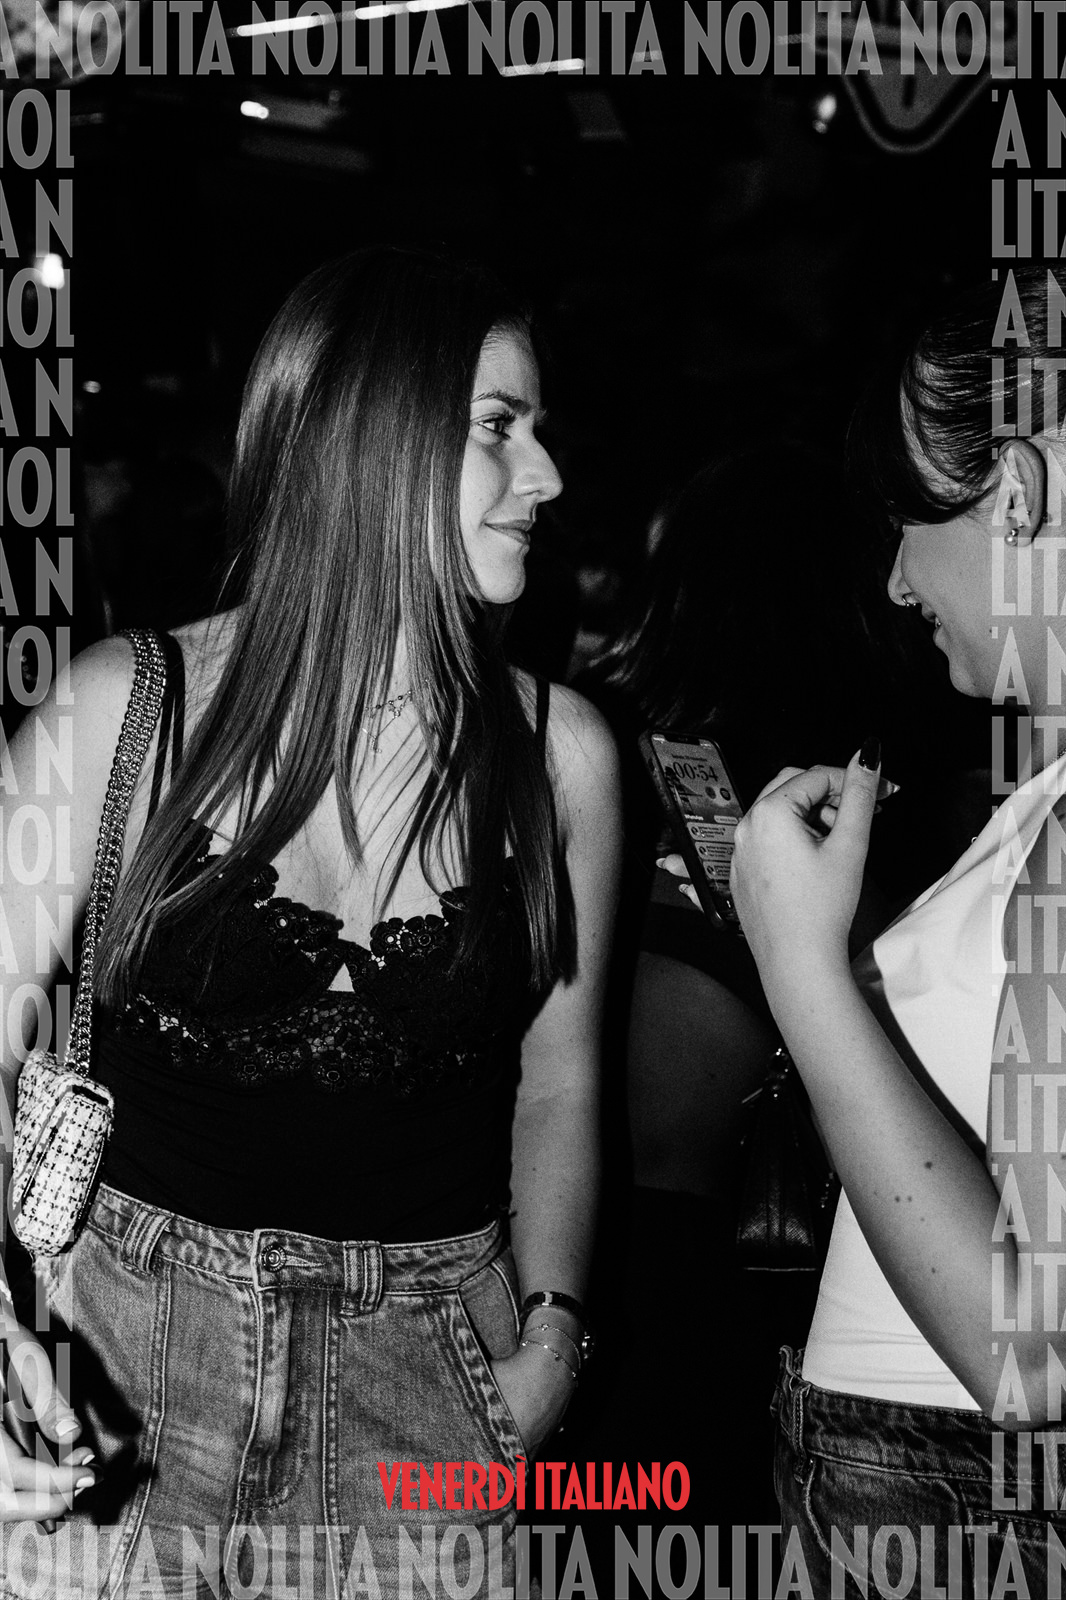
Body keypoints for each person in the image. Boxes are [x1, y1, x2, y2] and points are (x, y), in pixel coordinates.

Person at [0, 247, 620, 1600]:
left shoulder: (559, 754)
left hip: (431, 1376)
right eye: (498, 429)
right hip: (118, 1367)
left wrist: (552, 1344)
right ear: (366, 443)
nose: (546, 476)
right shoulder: (121, 710)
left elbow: (561, 1084)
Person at [665, 269, 1066, 1591]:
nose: (894, 582)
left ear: (1016, 494)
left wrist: (798, 968)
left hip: (951, 1496)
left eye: (906, 520)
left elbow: (1031, 1352)